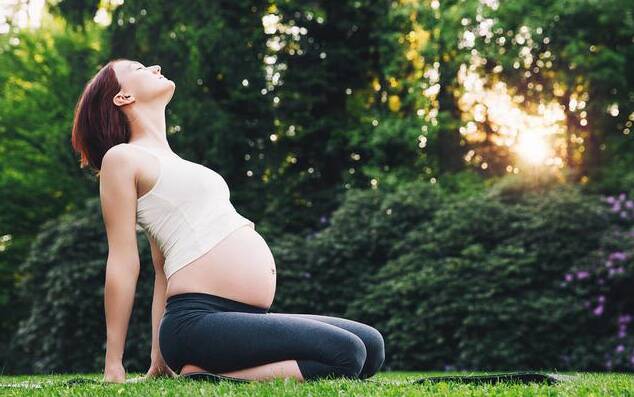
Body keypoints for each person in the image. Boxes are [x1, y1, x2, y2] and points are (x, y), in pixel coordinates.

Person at [70, 58, 385, 384]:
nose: (155, 67)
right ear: (123, 98)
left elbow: (162, 266)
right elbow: (122, 261)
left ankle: (205, 370)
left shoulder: (178, 163)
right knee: (347, 354)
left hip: (241, 320)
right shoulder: (122, 158)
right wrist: (114, 365)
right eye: (138, 69)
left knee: (371, 346)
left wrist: (158, 363)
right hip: (197, 321)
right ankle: (212, 375)